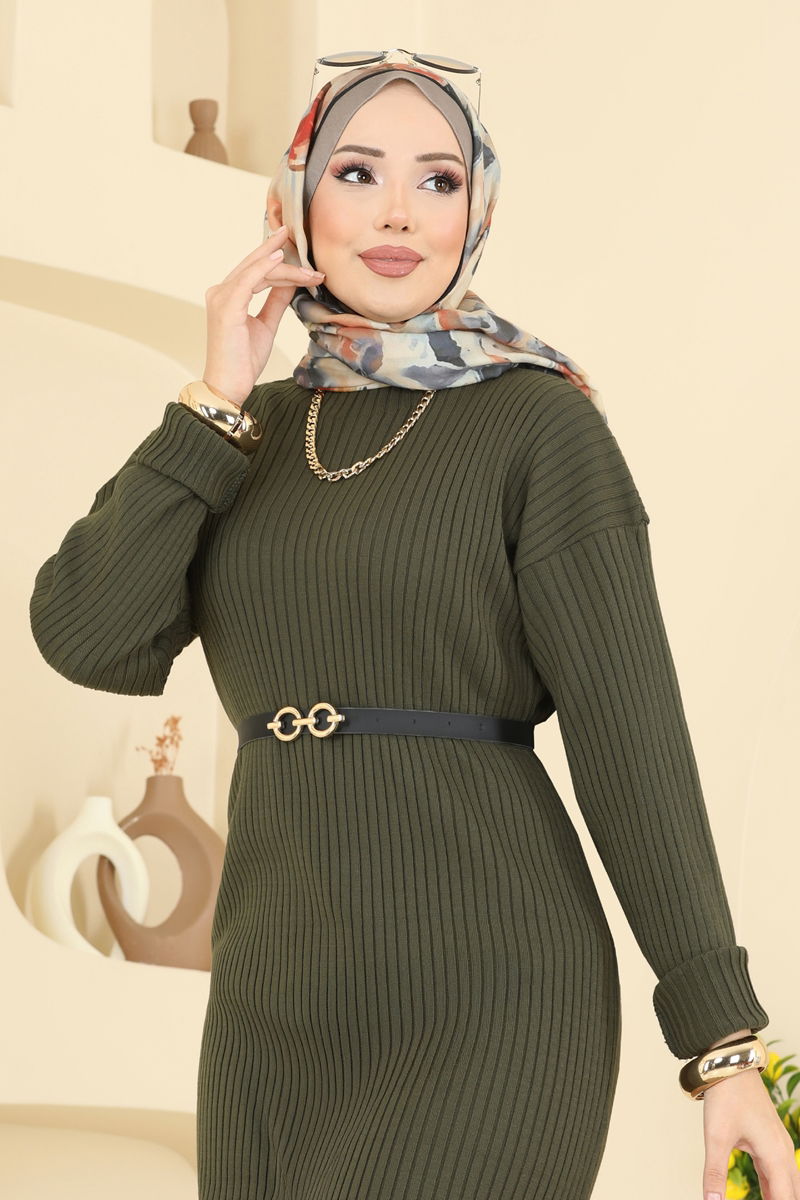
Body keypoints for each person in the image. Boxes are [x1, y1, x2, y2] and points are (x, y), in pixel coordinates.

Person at [28, 49, 794, 1200]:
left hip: (491, 997)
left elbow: (629, 739)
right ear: (292, 206)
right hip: (270, 1011)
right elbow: (85, 634)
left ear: (475, 212)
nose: (396, 213)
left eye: (437, 180)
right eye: (355, 172)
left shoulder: (537, 427)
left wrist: (719, 1044)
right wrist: (215, 396)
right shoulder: (244, 432)